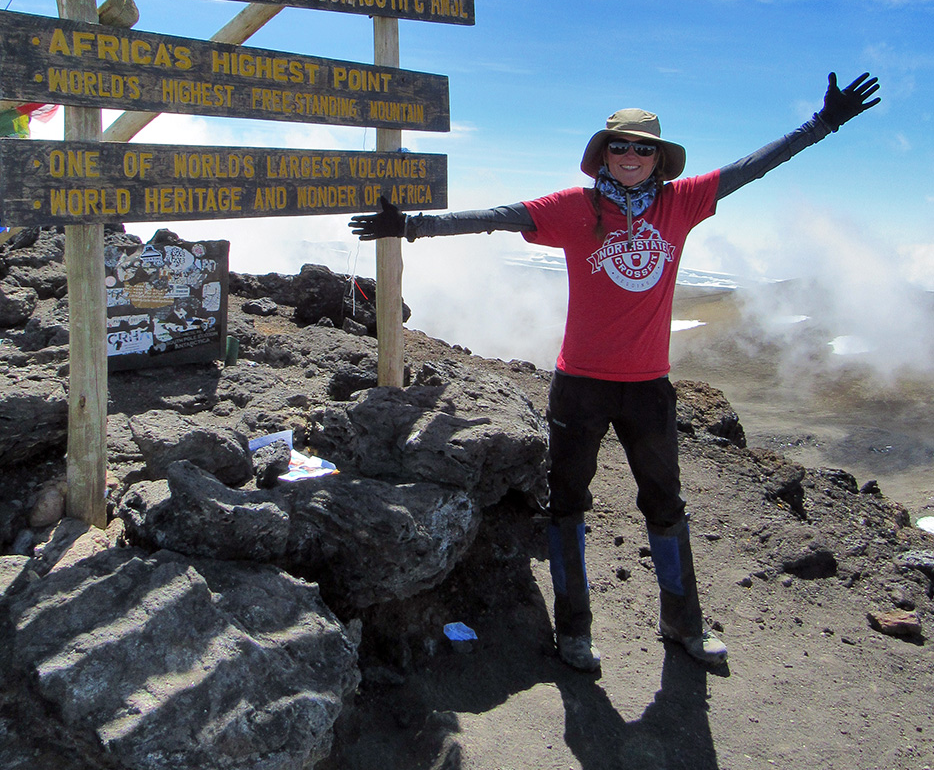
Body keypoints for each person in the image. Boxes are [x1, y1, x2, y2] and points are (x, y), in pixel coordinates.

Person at [349, 71, 880, 671]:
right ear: (603, 155)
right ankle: (574, 632)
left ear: (659, 160)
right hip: (579, 384)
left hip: (649, 387)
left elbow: (750, 168)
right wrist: (413, 226)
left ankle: (683, 626)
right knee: (569, 504)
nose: (631, 156)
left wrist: (821, 124)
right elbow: (498, 215)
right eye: (620, 146)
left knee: (666, 506)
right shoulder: (577, 208)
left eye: (643, 147)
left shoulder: (682, 204)